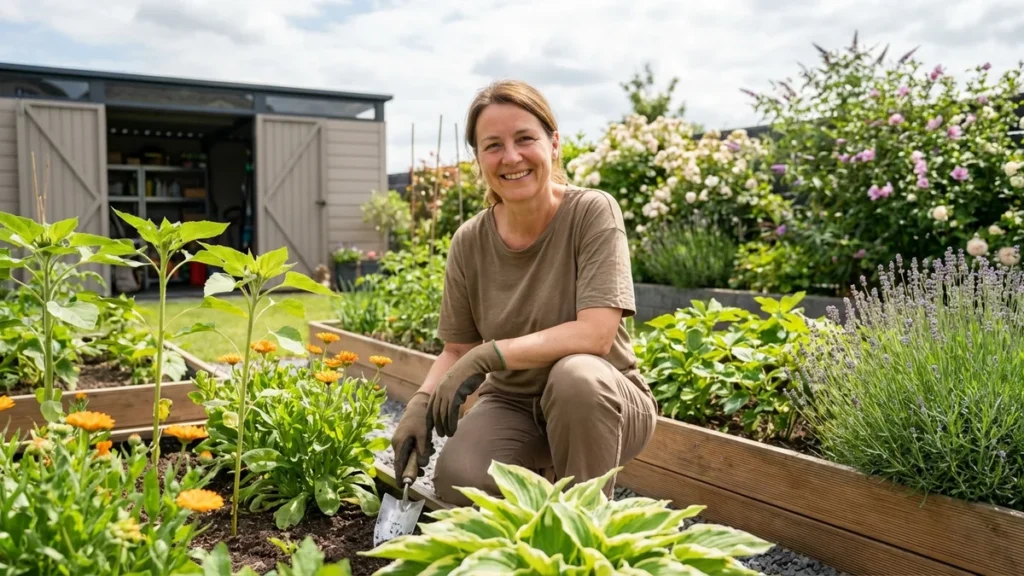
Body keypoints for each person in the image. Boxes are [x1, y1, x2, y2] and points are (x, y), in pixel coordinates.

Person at [390, 79, 659, 506]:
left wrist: (491, 354)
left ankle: (586, 533)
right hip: (514, 404)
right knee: (459, 480)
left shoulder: (591, 212)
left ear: (553, 144)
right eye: (492, 145)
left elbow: (596, 336)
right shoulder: (469, 240)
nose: (511, 157)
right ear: (478, 159)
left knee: (576, 378)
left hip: (603, 400)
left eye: (524, 139)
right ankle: (543, 488)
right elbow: (458, 348)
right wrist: (421, 401)